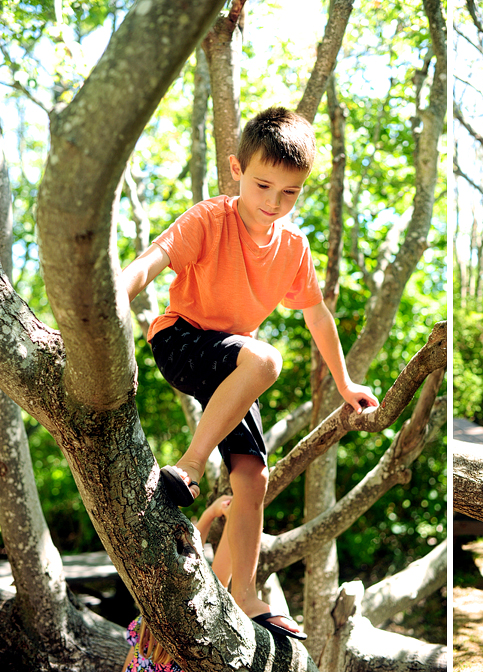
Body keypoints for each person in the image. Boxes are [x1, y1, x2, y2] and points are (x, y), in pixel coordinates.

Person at [120, 106, 379, 638]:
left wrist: (347, 383)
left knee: (253, 477)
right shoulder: (208, 218)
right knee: (266, 358)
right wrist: (111, 297)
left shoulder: (293, 248)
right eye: (264, 185)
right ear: (237, 169)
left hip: (234, 364)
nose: (274, 202)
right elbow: (154, 258)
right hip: (182, 338)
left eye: (290, 192)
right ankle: (189, 467)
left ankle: (245, 596)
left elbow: (317, 316)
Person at [122, 496, 232, 672]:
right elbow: (218, 583)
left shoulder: (147, 627)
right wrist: (230, 519)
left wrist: (212, 514)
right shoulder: (183, 631)